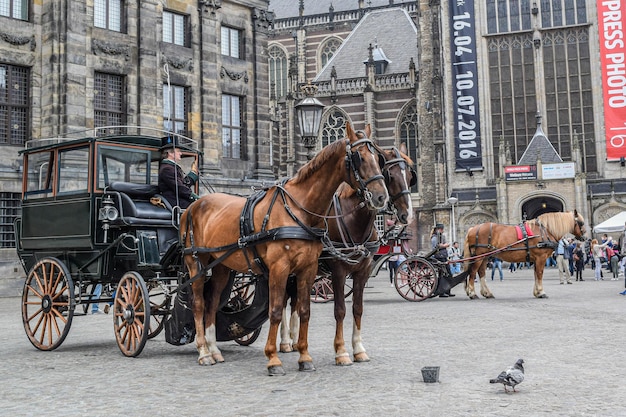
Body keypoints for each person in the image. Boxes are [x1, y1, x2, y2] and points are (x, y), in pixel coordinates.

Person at [158, 136, 199, 209]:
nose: (181, 153)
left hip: (177, 199)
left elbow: (182, 184)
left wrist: (193, 173)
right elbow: (179, 188)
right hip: (173, 201)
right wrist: (195, 198)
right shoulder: (167, 169)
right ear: (170, 153)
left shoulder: (172, 167)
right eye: (178, 151)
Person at [431, 223, 455, 297]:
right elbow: (436, 246)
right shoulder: (434, 237)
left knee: (449, 274)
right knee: (442, 274)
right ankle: (441, 292)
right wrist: (444, 245)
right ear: (438, 229)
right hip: (439, 257)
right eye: (441, 229)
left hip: (444, 256)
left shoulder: (441, 237)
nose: (442, 230)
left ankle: (447, 291)